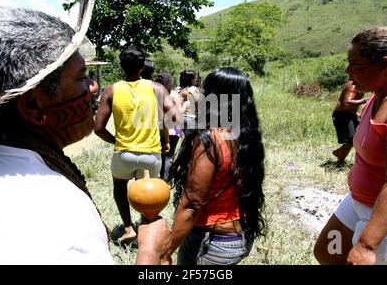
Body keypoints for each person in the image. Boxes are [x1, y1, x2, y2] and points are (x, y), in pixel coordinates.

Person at [0, 7, 171, 264]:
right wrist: (150, 253)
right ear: (34, 107)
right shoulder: (60, 215)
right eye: (82, 77)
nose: (94, 87)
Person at [314, 26, 387, 265]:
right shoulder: (377, 95)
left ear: (385, 65)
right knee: (328, 251)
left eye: (356, 65)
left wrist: (367, 246)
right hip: (358, 202)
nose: (348, 71)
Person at [165, 67, 266, 265]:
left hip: (211, 242)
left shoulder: (211, 139)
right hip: (242, 237)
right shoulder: (246, 135)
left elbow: (192, 204)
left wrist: (165, 251)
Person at [94, 44, 179, 243]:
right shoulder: (156, 88)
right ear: (142, 67)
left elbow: (98, 128)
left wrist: (116, 140)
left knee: (119, 188)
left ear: (121, 66)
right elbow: (174, 118)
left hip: (124, 153)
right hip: (151, 154)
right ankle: (146, 229)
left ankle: (128, 228)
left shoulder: (111, 90)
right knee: (148, 193)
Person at [155, 70, 183, 180]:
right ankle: (165, 180)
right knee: (169, 156)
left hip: (159, 127)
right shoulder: (173, 94)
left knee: (160, 155)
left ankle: (158, 178)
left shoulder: (155, 93)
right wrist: (185, 105)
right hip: (173, 128)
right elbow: (179, 113)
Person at [331, 80, 366, 164]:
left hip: (350, 114)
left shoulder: (361, 84)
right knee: (351, 140)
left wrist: (357, 114)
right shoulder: (352, 85)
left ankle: (338, 153)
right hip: (342, 115)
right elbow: (346, 103)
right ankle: (340, 162)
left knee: (361, 136)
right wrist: (365, 100)